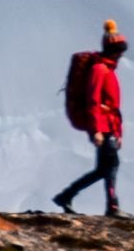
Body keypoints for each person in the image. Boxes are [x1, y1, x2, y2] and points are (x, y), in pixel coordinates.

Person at [53, 18, 128, 217]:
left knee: (104, 168)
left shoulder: (107, 69)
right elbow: (92, 100)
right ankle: (112, 206)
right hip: (102, 126)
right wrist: (97, 130)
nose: (121, 54)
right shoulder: (100, 69)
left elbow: (112, 107)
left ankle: (67, 195)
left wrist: (118, 132)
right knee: (110, 165)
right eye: (119, 50)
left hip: (108, 126)